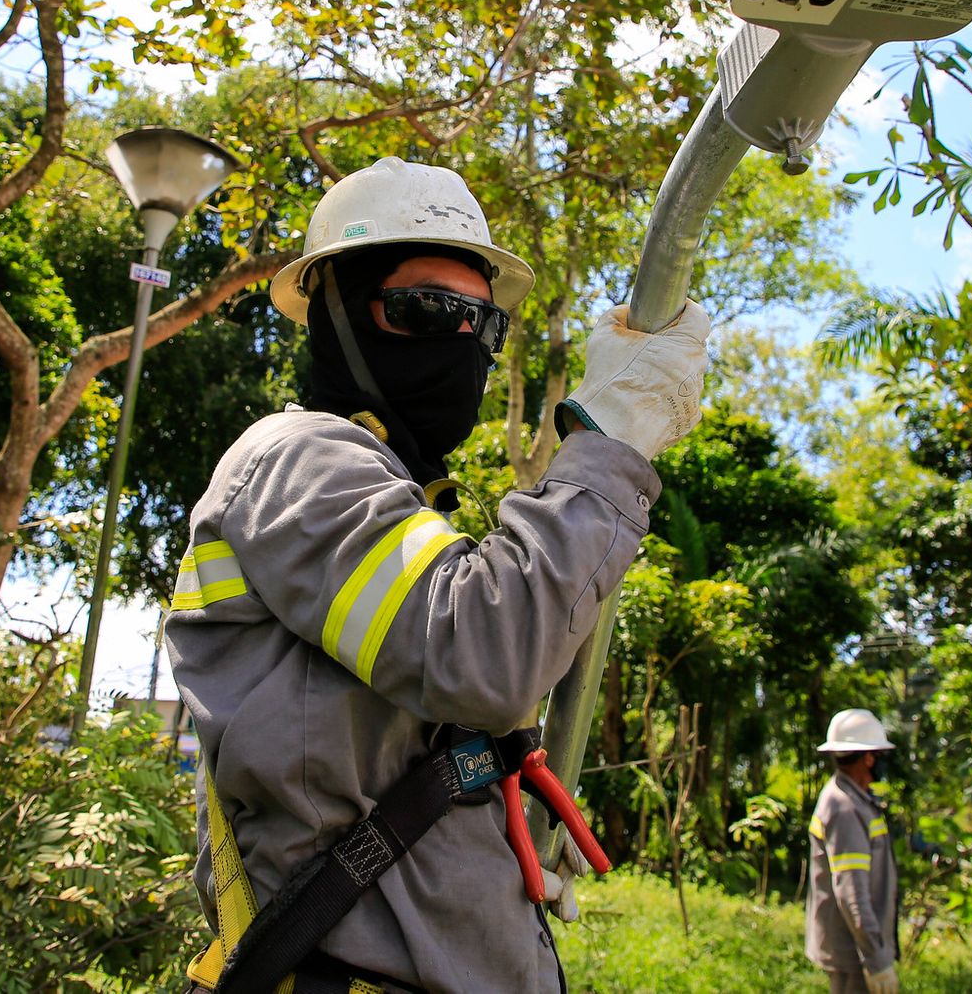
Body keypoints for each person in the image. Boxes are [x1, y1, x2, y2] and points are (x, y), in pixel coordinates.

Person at [167, 157, 711, 993]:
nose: (464, 341)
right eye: (428, 309)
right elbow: (483, 654)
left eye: (483, 325)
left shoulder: (403, 510)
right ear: (337, 312)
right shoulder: (295, 458)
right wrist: (612, 439)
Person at [806, 709, 901, 994]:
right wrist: (877, 959)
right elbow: (852, 894)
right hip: (855, 955)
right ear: (868, 757)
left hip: (858, 951)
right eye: (878, 756)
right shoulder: (845, 808)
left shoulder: (855, 800)